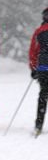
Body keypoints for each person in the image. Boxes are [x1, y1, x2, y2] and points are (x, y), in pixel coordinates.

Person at [29, 7, 48, 136]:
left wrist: (33, 68)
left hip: (43, 66)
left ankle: (38, 124)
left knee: (43, 95)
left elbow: (33, 51)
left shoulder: (39, 31)